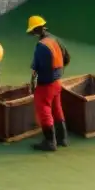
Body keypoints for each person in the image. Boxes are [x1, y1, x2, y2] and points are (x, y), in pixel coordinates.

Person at [27, 15, 71, 152]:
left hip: (46, 84)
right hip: (57, 82)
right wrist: (59, 72)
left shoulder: (41, 46)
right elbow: (67, 57)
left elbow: (36, 68)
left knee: (44, 109)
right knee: (57, 108)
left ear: (35, 30)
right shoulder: (55, 39)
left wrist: (33, 82)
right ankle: (62, 138)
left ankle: (50, 142)